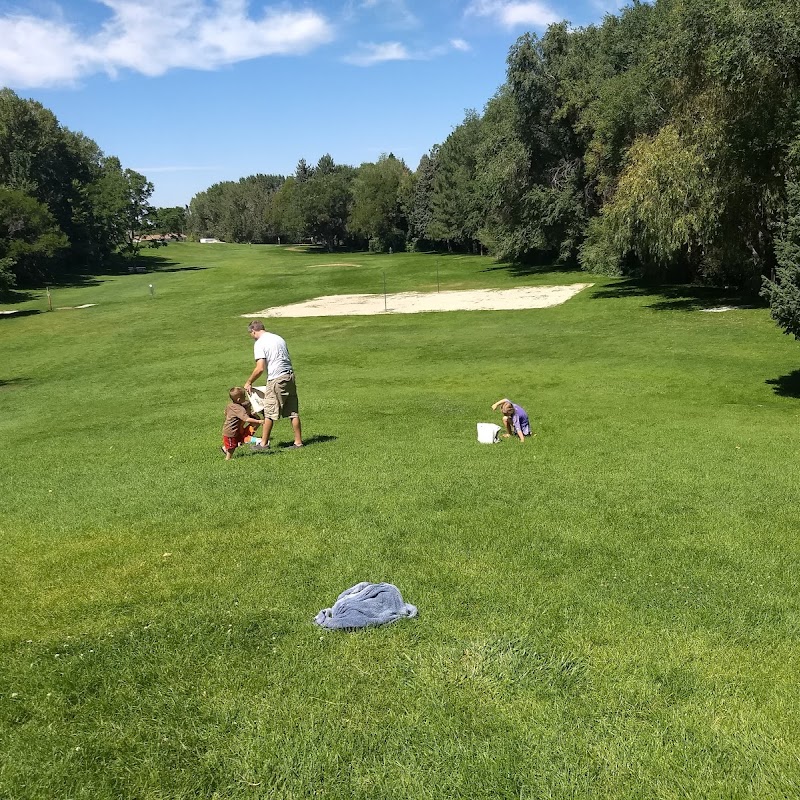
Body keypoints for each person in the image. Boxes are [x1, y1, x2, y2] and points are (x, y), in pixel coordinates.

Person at [244, 320, 303, 449]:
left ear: (253, 331)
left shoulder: (260, 343)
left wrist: (249, 382)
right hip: (289, 376)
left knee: (269, 411)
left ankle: (263, 444)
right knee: (293, 411)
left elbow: (260, 368)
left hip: (276, 379)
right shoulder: (278, 338)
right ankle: (298, 442)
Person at [222, 387, 263, 460]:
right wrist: (259, 421)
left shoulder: (230, 405)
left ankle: (225, 449)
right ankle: (228, 458)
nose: (245, 397)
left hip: (233, 430)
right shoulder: (239, 409)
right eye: (244, 396)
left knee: (235, 443)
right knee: (232, 447)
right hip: (231, 431)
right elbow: (246, 419)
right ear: (239, 399)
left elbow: (225, 412)